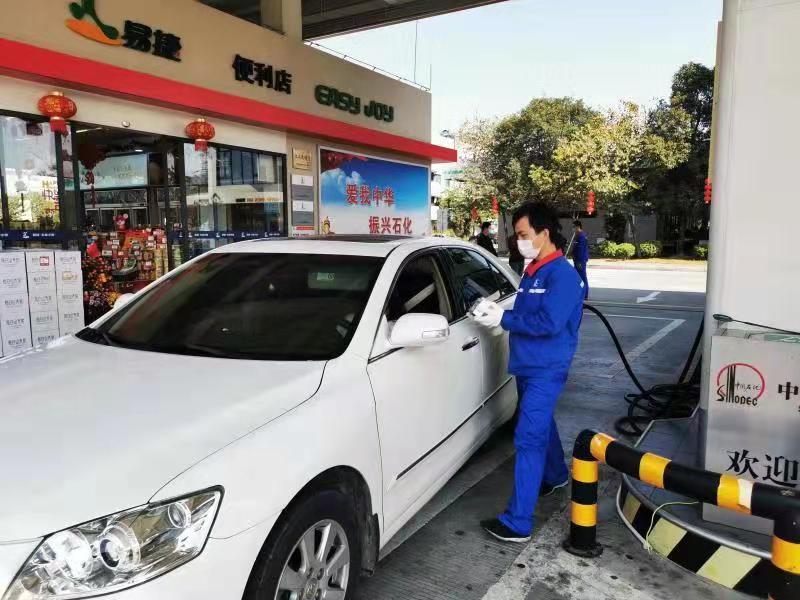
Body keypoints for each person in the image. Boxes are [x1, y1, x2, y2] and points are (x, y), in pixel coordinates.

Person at [470, 202, 585, 543]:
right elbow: (527, 313)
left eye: (523, 235)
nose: (519, 241)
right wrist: (497, 311)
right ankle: (557, 474)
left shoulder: (563, 276)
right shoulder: (534, 270)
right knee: (541, 423)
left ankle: (518, 522)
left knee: (528, 438)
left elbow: (549, 323)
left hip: (546, 370)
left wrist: (503, 319)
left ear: (544, 233)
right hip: (527, 366)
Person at [571, 220, 589, 299]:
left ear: (578, 227)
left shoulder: (581, 236)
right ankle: (580, 292)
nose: (572, 229)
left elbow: (580, 250)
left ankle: (584, 294)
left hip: (580, 260)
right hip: (577, 260)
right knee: (577, 277)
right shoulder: (578, 235)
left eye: (573, 227)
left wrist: (579, 262)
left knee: (582, 277)